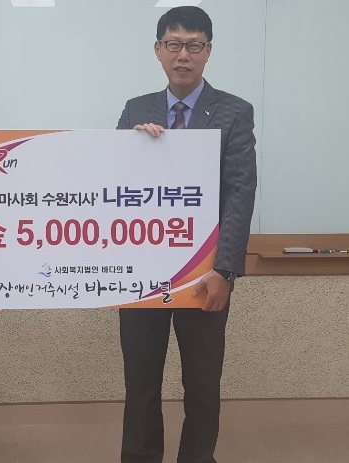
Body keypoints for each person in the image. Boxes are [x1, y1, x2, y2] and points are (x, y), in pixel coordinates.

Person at [116, 6, 257, 463]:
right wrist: (134, 148)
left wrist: (225, 270)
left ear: (208, 52)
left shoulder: (234, 111)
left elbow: (240, 192)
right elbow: (113, 186)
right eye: (174, 45)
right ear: (158, 50)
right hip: (142, 275)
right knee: (140, 384)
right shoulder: (136, 110)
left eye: (194, 46)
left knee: (202, 385)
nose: (183, 55)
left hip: (205, 273)